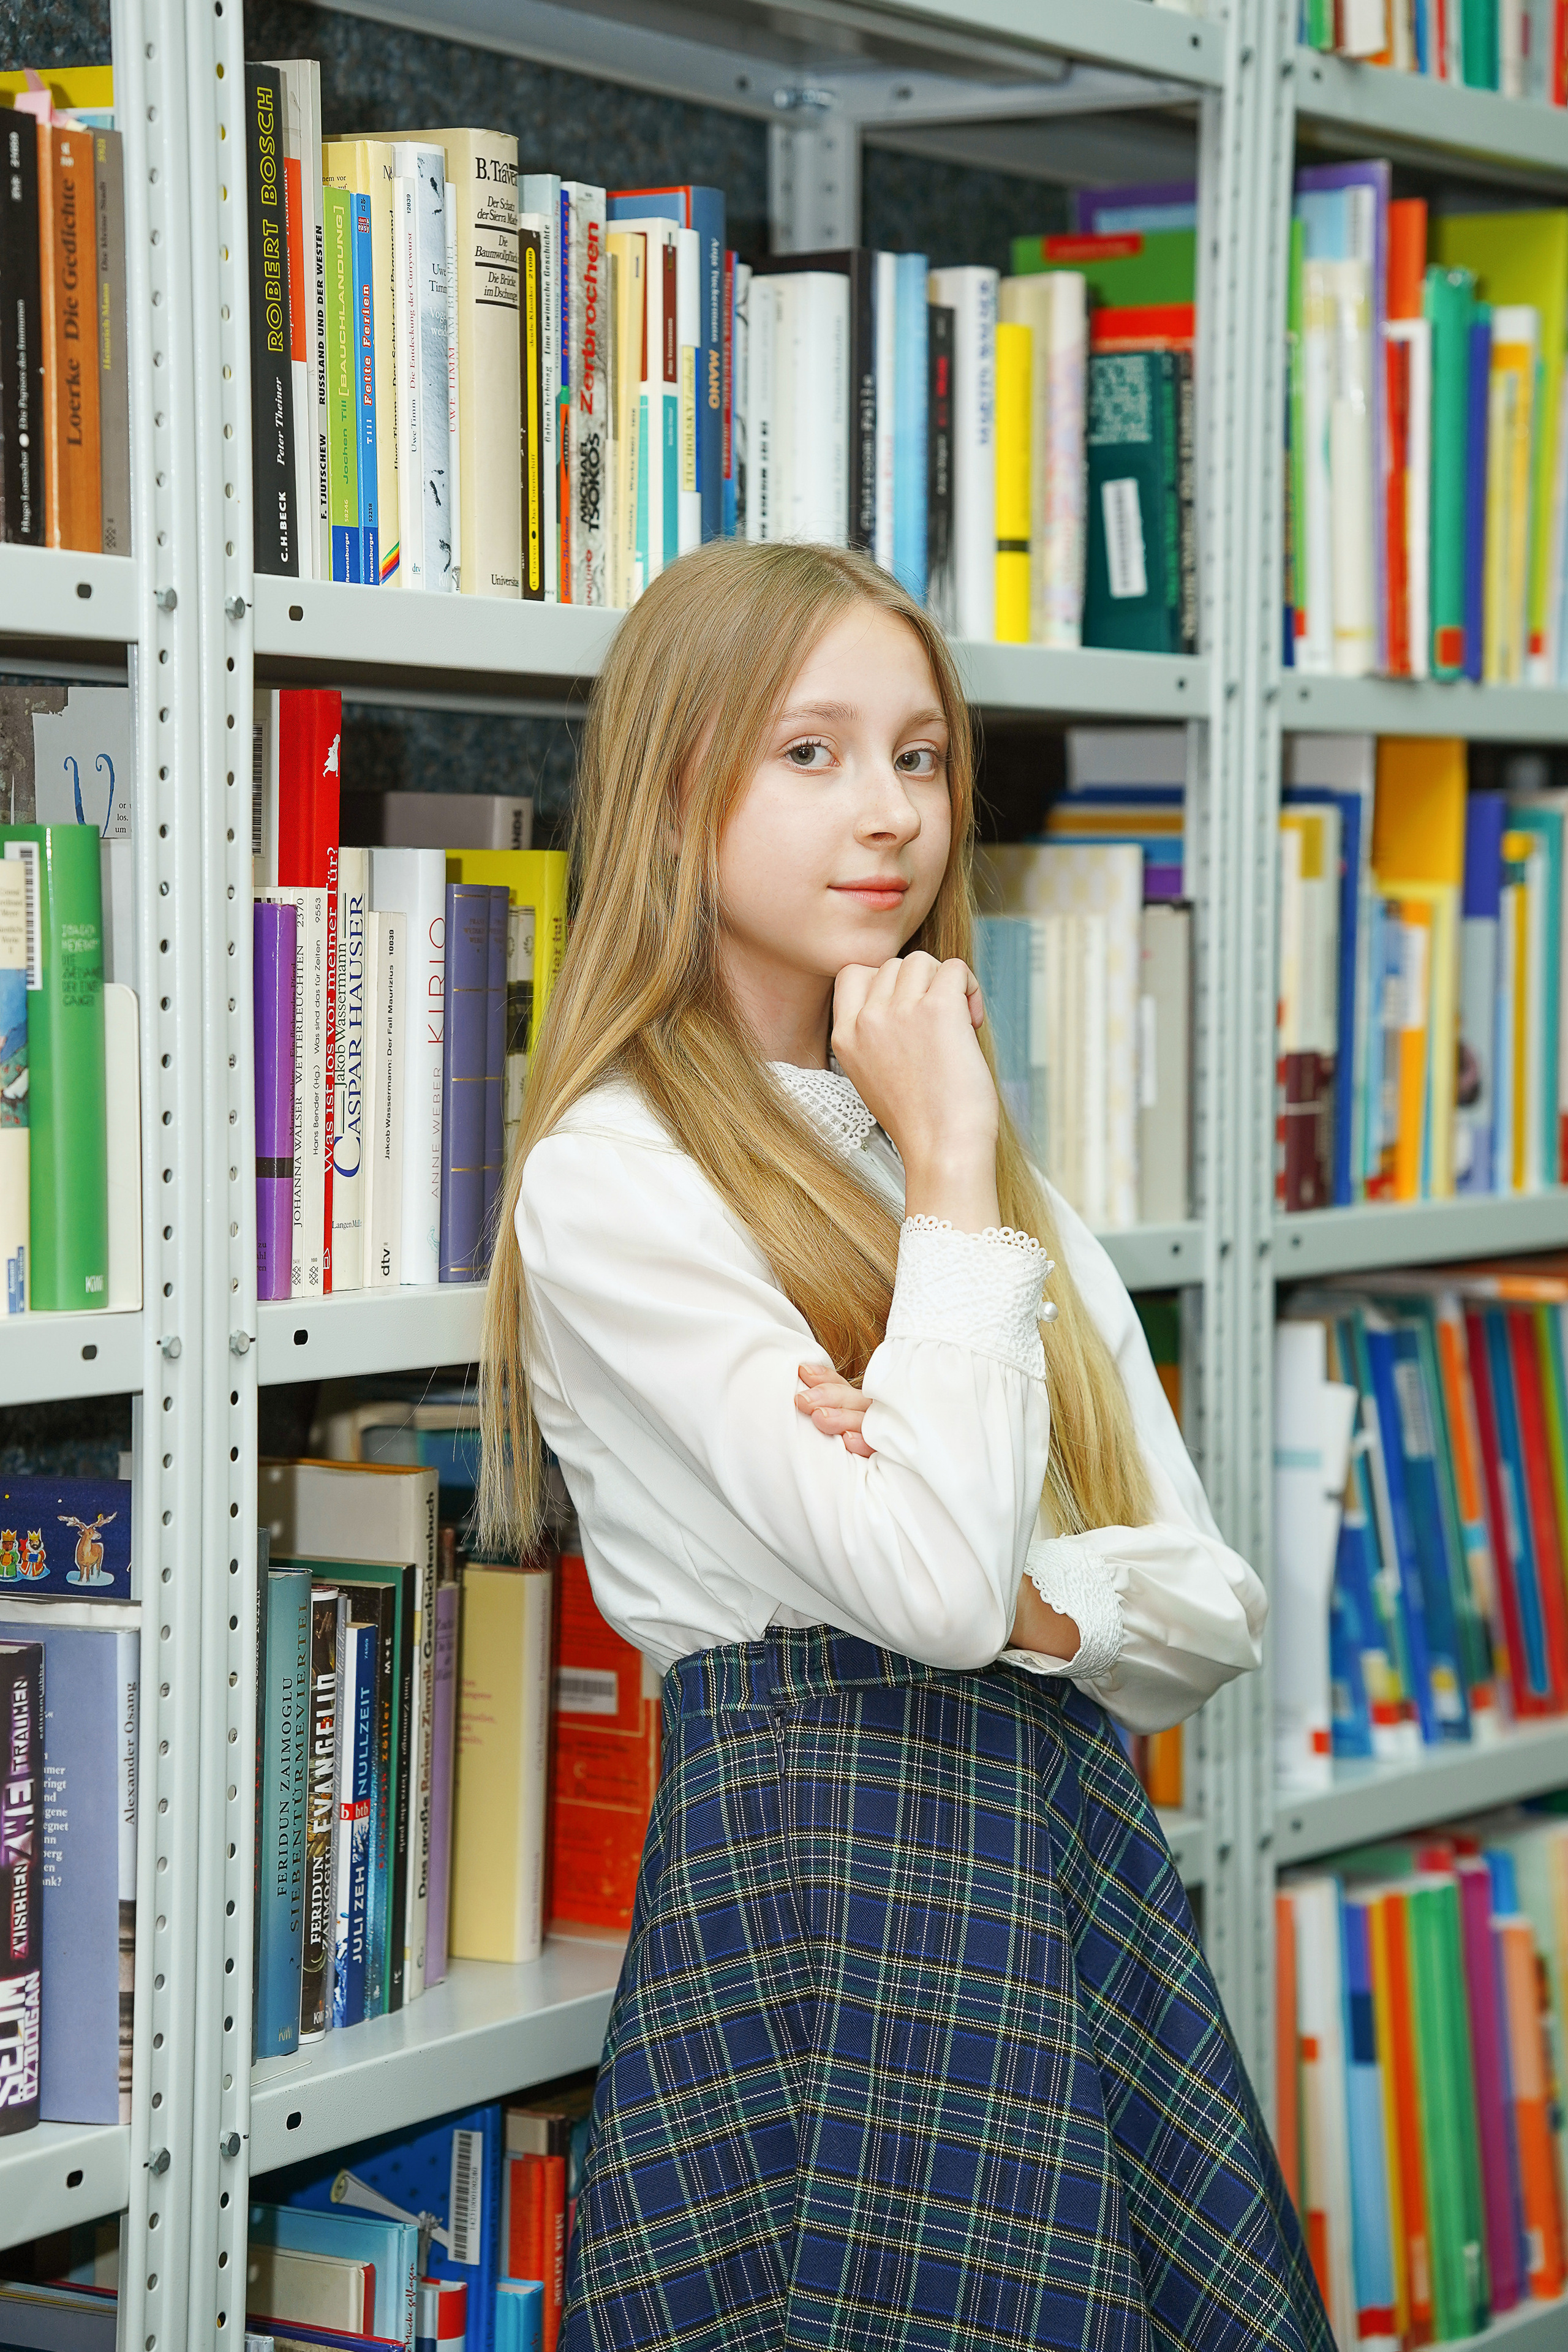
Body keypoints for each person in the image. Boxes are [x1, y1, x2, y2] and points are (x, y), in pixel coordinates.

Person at [479, 541, 1330, 2352]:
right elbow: (936, 1595)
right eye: (812, 753)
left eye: (923, 757)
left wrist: (1027, 1587)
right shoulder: (617, 1178)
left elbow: (1206, 1608)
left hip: (1063, 1862)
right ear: (673, 785)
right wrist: (950, 1187)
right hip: (810, 1893)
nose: (889, 814)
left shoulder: (976, 1166)